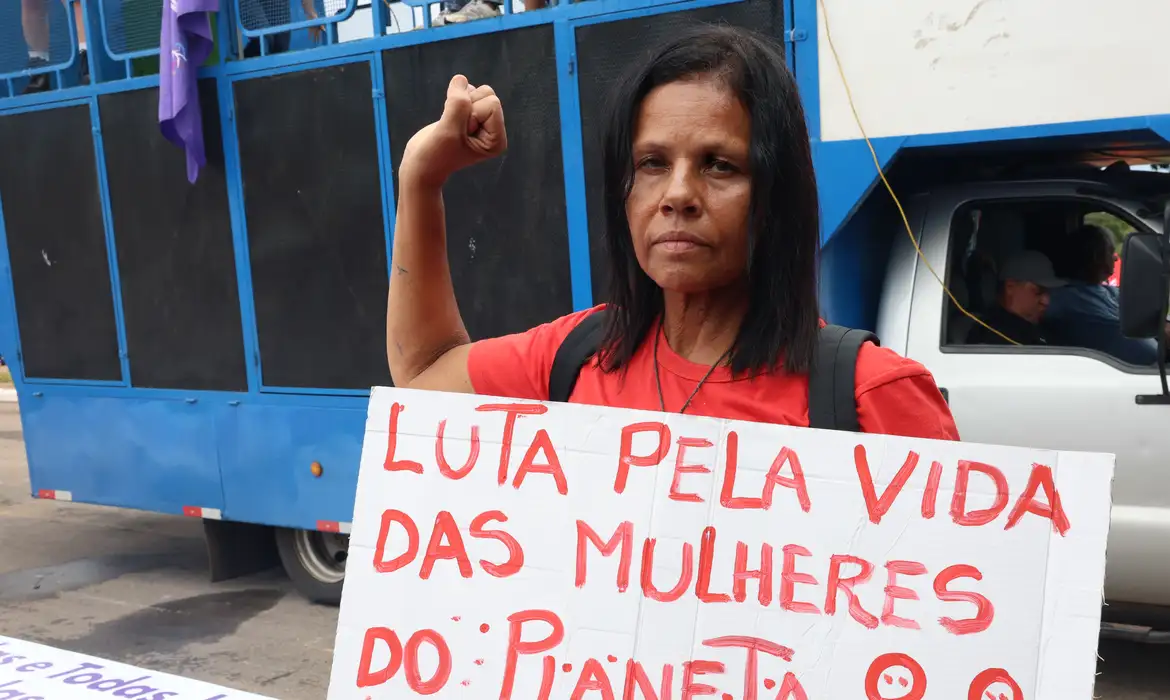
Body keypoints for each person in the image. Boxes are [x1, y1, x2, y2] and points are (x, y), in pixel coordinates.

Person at [385, 27, 958, 440]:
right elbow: (423, 378)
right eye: (652, 163)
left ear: (775, 196)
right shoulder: (574, 357)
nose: (677, 194)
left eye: (720, 165)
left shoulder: (873, 398)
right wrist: (422, 178)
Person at [1044, 223, 1164, 365]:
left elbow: (1144, 313)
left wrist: (1162, 325)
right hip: (1124, 374)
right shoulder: (1063, 298)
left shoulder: (1110, 291)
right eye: (1110, 251)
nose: (1115, 258)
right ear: (1095, 256)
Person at [966, 250, 1064, 346]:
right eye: (1038, 291)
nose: (1046, 301)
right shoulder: (991, 338)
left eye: (1048, 292)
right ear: (1010, 287)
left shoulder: (1043, 327)